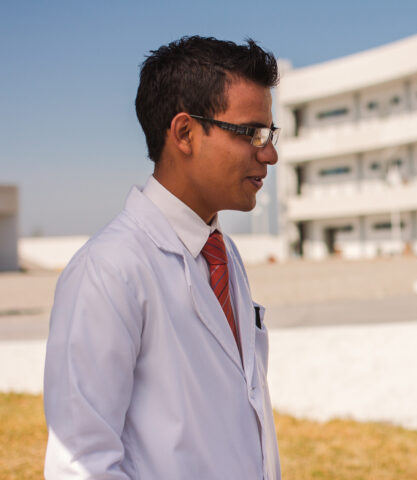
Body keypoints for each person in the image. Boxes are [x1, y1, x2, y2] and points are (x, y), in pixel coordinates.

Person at [43, 36, 281, 479]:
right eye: (252, 132)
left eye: (269, 134)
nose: (269, 153)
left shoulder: (223, 256)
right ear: (185, 133)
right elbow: (79, 466)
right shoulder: (109, 270)